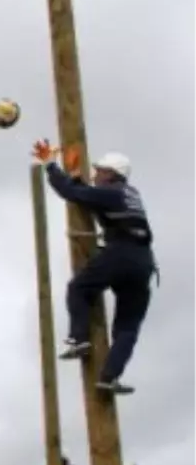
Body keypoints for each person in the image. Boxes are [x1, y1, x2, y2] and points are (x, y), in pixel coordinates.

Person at [32, 140, 157, 395]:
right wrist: (77, 178)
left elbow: (73, 194)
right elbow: (89, 196)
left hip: (121, 253)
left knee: (79, 288)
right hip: (143, 262)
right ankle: (108, 377)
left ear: (112, 174)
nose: (95, 174)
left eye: (99, 171)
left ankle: (79, 339)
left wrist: (51, 166)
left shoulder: (111, 192)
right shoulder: (129, 193)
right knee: (128, 326)